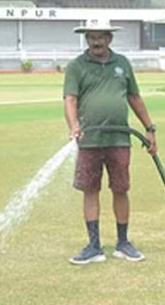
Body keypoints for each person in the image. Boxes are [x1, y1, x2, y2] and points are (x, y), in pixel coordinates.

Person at [63, 18, 158, 264]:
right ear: (87, 40)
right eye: (91, 37)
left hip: (119, 138)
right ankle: (94, 246)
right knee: (90, 190)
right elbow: (70, 99)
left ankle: (123, 243)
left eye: (100, 36)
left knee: (121, 189)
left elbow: (134, 97)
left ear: (109, 39)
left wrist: (149, 128)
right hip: (89, 139)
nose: (96, 41)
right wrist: (74, 125)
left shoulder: (122, 64)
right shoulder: (77, 66)